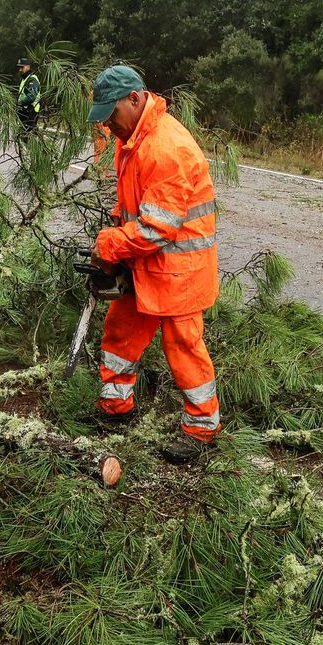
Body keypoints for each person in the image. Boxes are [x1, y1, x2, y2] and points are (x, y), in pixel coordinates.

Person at [86, 65, 220, 463]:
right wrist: (116, 236)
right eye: (103, 117)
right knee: (120, 332)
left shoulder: (165, 148)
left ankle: (202, 429)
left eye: (112, 113)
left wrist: (110, 247)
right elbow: (133, 205)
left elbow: (156, 229)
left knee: (183, 346)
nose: (108, 124)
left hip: (179, 271)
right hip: (144, 263)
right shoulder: (132, 138)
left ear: (135, 98)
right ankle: (115, 407)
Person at [16, 57, 41, 139]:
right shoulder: (25, 79)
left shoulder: (32, 79)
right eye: (19, 67)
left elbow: (31, 97)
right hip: (24, 111)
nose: (20, 70)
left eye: (21, 67)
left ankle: (40, 150)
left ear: (27, 67)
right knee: (25, 135)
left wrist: (19, 102)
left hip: (31, 111)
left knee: (29, 136)